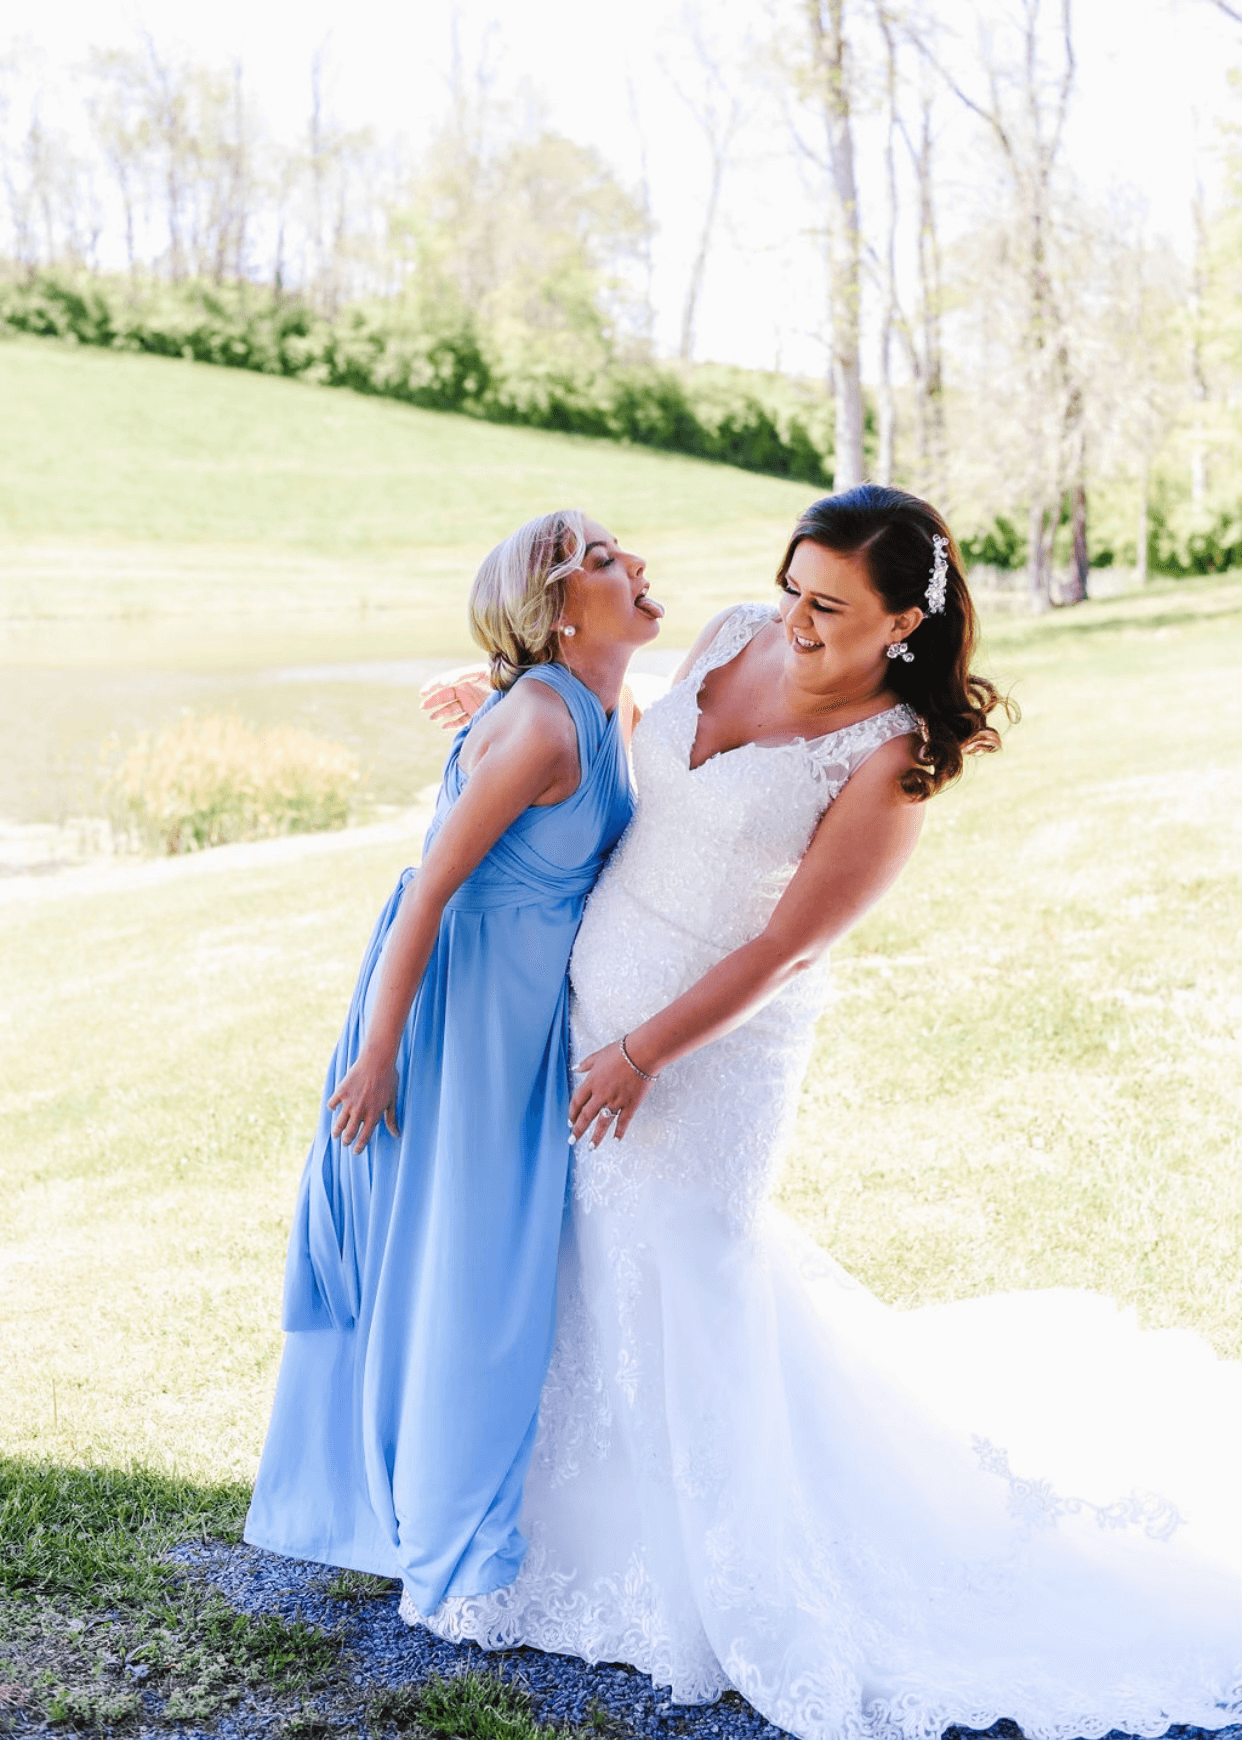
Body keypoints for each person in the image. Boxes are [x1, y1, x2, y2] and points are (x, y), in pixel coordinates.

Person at [414, 485, 1242, 1739]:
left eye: (831, 606)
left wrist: (648, 1051)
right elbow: (642, 750)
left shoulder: (892, 755)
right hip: (593, 999)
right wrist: (514, 711)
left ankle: (727, 1572)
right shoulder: (732, 628)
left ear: (904, 620)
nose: (795, 620)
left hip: (714, 1045)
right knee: (597, 1260)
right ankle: (575, 1538)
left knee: (689, 1261)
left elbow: (795, 947)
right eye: (794, 588)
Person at [245, 509, 664, 1617]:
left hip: (520, 1015)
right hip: (461, 1009)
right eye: (605, 561)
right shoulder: (542, 721)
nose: (634, 564)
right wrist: (379, 1053)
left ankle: (449, 1495)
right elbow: (428, 889)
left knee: (480, 1252)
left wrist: (486, 690)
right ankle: (436, 1522)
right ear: (563, 608)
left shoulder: (598, 702)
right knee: (465, 1259)